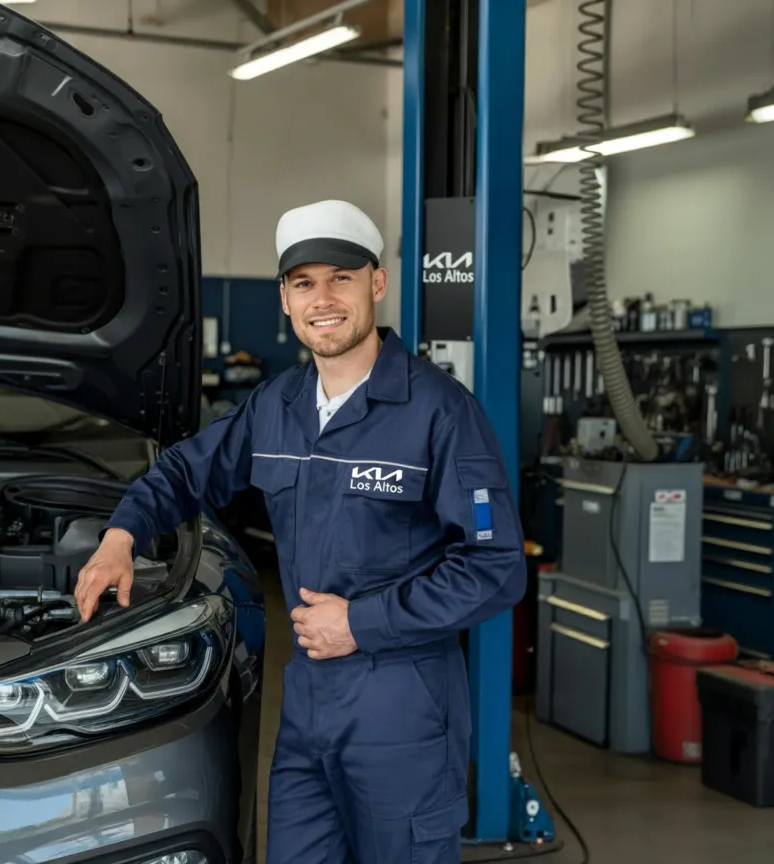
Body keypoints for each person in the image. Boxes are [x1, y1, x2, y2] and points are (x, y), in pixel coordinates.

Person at [75, 199, 527, 864]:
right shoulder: (276, 406)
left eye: (340, 278)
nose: (323, 299)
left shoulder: (440, 412)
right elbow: (184, 471)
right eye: (303, 282)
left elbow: (497, 567)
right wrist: (121, 537)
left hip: (403, 706)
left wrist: (362, 623)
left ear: (376, 284)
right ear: (285, 300)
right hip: (310, 707)